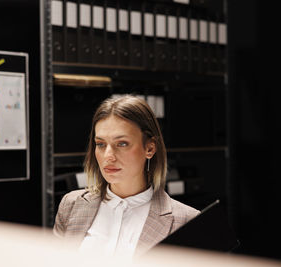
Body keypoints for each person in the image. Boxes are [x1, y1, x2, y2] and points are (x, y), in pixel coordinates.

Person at [53, 95, 199, 258]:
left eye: (122, 143)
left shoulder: (187, 221)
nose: (108, 156)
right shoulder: (71, 205)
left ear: (150, 148)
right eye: (100, 144)